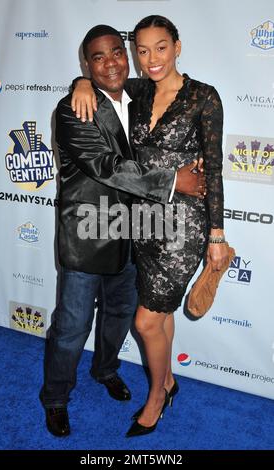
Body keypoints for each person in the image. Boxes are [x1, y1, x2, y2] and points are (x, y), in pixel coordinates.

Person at [40, 24, 206, 437]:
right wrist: (172, 182)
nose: (110, 62)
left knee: (118, 318)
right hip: (87, 237)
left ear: (127, 56)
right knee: (71, 327)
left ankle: (106, 369)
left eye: (116, 52)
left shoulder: (140, 95)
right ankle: (56, 397)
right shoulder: (71, 109)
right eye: (97, 58)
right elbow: (109, 168)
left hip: (135, 236)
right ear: (87, 64)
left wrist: (81, 80)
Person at [72, 15, 229, 438]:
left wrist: (217, 235)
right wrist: (80, 84)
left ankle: (157, 397)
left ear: (177, 46)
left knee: (144, 322)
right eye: (142, 50)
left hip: (184, 225)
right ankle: (170, 380)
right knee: (159, 318)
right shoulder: (138, 92)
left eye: (161, 47)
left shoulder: (203, 97)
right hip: (143, 221)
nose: (151, 59)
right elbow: (102, 81)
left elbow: (212, 171)